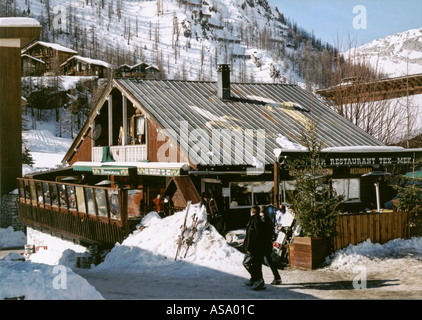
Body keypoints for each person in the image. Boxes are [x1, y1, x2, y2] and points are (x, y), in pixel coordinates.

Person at [243, 206, 266, 291]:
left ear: (252, 211)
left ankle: (258, 279)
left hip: (254, 248)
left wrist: (249, 248)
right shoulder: (256, 220)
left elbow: (254, 236)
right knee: (256, 265)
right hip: (257, 247)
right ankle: (255, 280)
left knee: (247, 263)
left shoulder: (255, 221)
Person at [260, 206, 282, 285]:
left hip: (264, 243)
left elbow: (262, 232)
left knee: (264, 261)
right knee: (269, 260)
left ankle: (259, 279)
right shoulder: (268, 219)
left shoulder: (263, 220)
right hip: (268, 242)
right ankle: (277, 277)